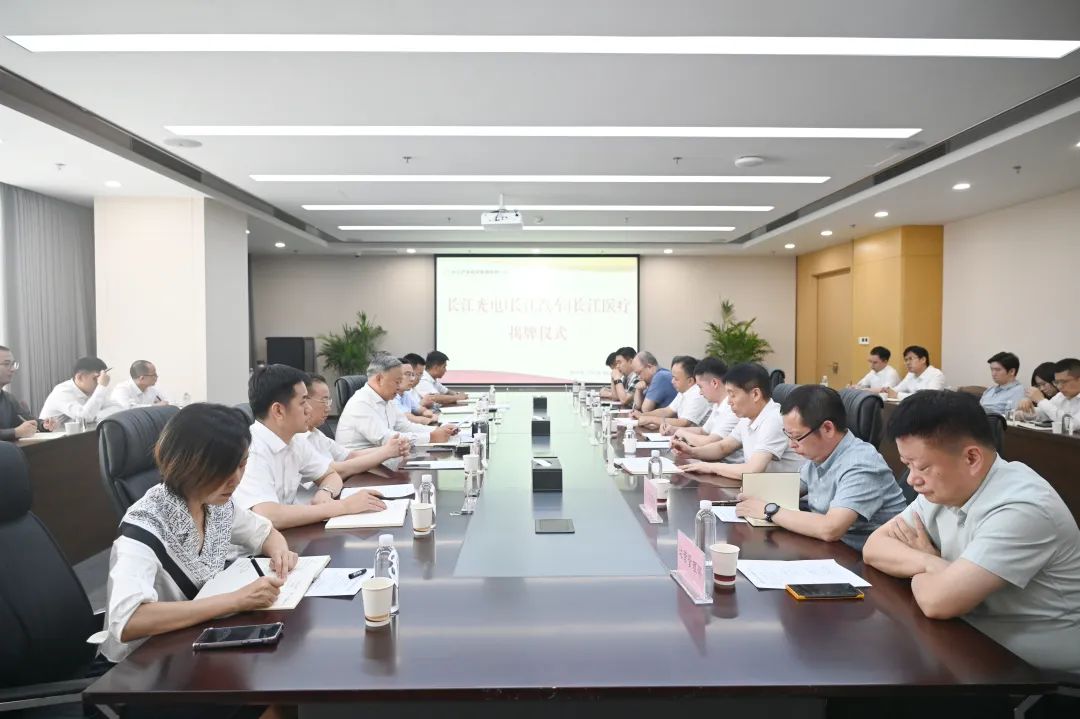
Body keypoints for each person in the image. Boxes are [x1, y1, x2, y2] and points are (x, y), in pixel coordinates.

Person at [863, 391, 1080, 673]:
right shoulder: (943, 488)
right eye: (907, 465)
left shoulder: (1023, 507)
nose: (913, 479)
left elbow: (938, 602)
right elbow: (874, 547)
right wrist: (931, 562)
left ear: (972, 458)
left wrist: (928, 572)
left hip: (1035, 668)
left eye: (922, 466)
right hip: (969, 639)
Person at [99, 403, 298, 663]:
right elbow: (127, 620)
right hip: (143, 664)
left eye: (242, 465)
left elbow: (265, 532)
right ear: (188, 464)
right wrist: (235, 600)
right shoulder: (145, 525)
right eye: (223, 469)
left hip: (195, 643)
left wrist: (280, 554)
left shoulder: (215, 504)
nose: (236, 479)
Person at [735, 385, 905, 550]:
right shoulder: (821, 453)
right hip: (831, 549)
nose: (792, 445)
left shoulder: (862, 464)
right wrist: (755, 492)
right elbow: (792, 487)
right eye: (788, 436)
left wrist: (769, 510)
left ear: (827, 428)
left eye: (796, 437)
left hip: (862, 558)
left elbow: (830, 528)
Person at [232, 364, 386, 529]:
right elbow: (269, 516)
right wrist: (344, 506)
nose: (309, 409)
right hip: (253, 544)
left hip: (286, 535)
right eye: (303, 402)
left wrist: (325, 492)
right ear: (278, 411)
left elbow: (330, 474)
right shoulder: (252, 450)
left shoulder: (294, 441)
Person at [676, 363, 805, 479]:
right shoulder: (748, 418)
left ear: (755, 394)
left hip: (788, 491)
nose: (728, 401)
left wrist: (710, 467)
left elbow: (752, 470)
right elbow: (723, 447)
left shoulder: (774, 419)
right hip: (762, 486)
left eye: (732, 395)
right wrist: (691, 452)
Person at [336, 354, 458, 454]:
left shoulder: (387, 399)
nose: (399, 386)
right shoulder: (361, 403)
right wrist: (431, 437)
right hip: (360, 468)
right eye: (397, 381)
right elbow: (386, 438)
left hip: (384, 459)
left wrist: (438, 430)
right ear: (379, 379)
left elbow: (405, 426)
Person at [303, 374, 408, 478]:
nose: (328, 408)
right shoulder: (299, 438)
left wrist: (390, 448)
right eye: (323, 400)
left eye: (328, 401)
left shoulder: (316, 433)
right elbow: (336, 471)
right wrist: (386, 452)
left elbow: (350, 456)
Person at [669, 358, 743, 462]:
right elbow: (703, 431)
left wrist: (683, 434)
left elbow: (710, 441)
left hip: (728, 464)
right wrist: (676, 431)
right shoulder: (717, 404)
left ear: (714, 383)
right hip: (715, 461)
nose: (700, 392)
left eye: (700, 387)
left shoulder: (732, 408)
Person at [39, 356, 124, 424]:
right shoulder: (62, 392)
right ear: (79, 377)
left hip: (76, 436)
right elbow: (84, 417)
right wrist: (101, 387)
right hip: (50, 438)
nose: (99, 382)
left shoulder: (91, 391)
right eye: (95, 378)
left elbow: (119, 409)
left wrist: (94, 415)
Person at [635, 355, 710, 430]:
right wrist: (642, 415)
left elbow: (683, 423)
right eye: (672, 377)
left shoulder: (698, 393)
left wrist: (651, 419)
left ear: (690, 381)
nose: (672, 381)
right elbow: (667, 411)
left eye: (676, 379)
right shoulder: (683, 390)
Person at [0, 345, 43, 441]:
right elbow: (18, 431)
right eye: (7, 364)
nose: (13, 369)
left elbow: (27, 419)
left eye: (13, 364)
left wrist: (43, 424)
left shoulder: (9, 398)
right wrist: (16, 432)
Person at [1027, 357, 1080, 423]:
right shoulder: (1060, 396)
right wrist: (1024, 410)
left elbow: (1071, 423)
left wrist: (1041, 400)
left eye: (1064, 382)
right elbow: (1044, 413)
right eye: (1057, 382)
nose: (1059, 387)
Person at [396, 359, 438, 425]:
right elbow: (408, 417)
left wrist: (430, 414)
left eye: (412, 375)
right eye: (408, 374)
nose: (412, 379)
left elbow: (420, 409)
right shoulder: (391, 397)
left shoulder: (406, 393)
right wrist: (430, 419)